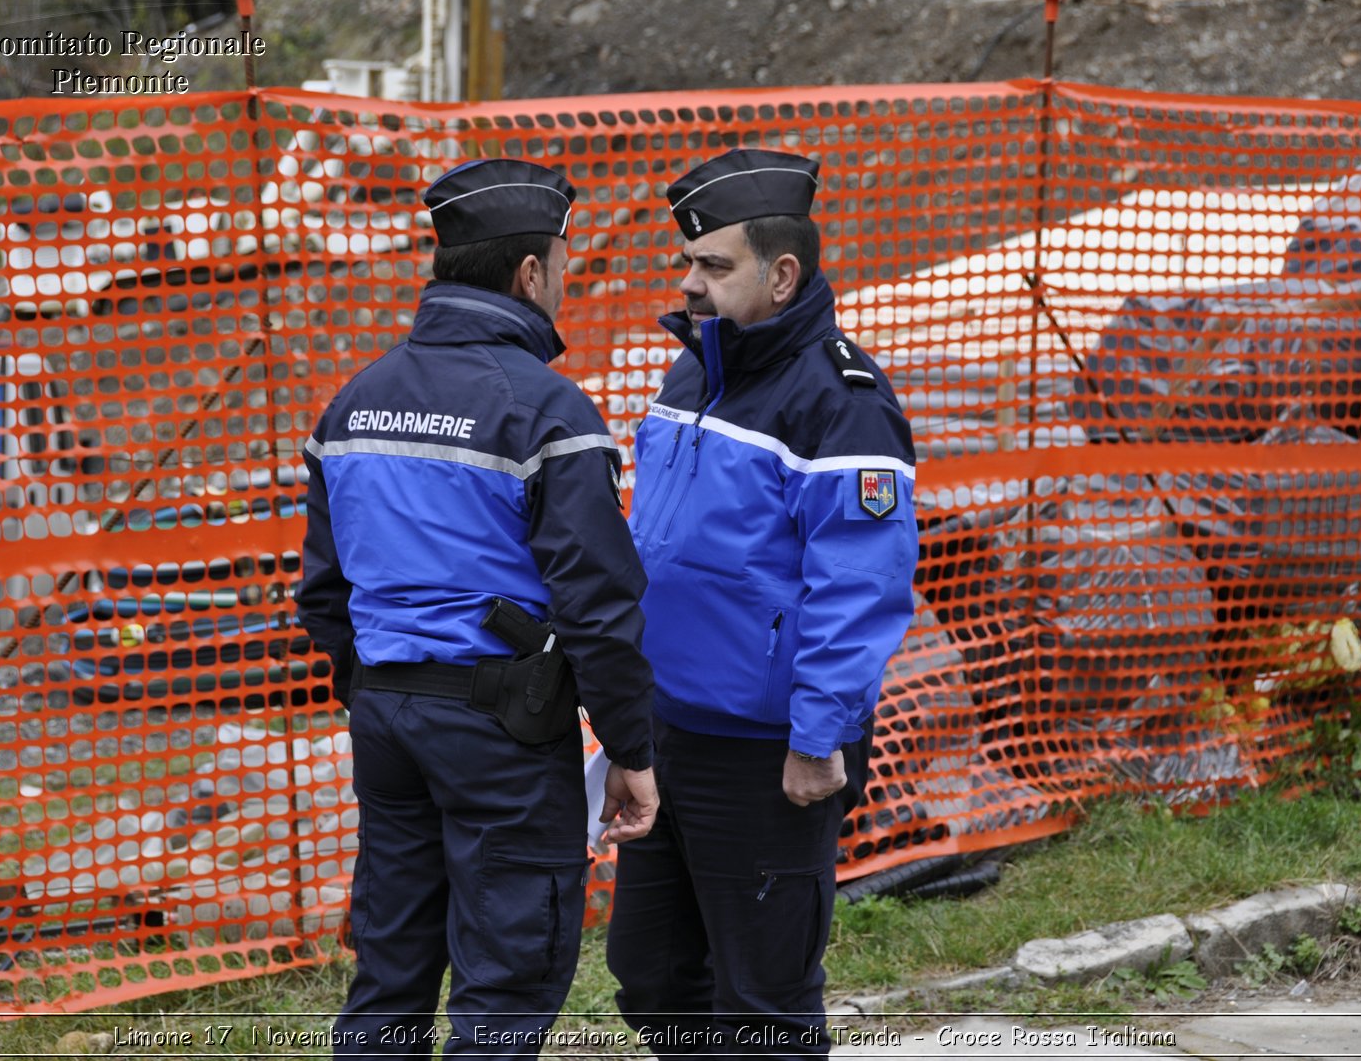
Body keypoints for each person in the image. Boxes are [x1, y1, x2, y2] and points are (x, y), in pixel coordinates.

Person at [297, 158, 660, 1058]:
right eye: (563, 263)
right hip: (502, 726)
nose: (565, 281)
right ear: (530, 274)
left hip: (386, 716)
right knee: (505, 981)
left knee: (389, 976)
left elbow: (322, 589)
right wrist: (630, 747)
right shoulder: (547, 410)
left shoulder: (354, 401)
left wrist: (379, 690)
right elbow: (598, 601)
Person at [606, 148, 918, 1057]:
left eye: (712, 265)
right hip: (671, 729)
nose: (689, 283)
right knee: (654, 971)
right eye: (688, 263)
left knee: (763, 997)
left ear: (781, 274)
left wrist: (819, 736)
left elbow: (860, 586)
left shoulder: (842, 401)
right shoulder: (692, 371)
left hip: (771, 751)